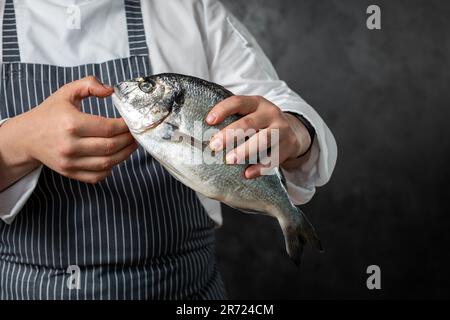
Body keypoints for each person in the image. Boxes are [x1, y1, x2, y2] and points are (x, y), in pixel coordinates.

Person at [0, 0, 337, 299]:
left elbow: (277, 102)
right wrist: (16, 143)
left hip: (186, 289)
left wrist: (294, 130)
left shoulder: (189, 9)